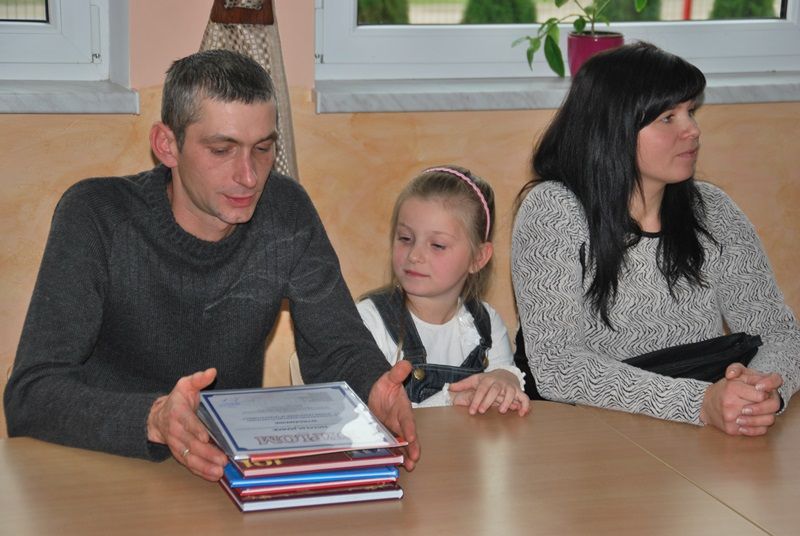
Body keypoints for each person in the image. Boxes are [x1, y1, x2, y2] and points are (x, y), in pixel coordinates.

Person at [3, 49, 419, 480]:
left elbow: (337, 347)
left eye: (263, 149)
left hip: (222, 477)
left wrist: (374, 386)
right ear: (167, 145)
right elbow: (31, 395)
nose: (249, 176)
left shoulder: (286, 211)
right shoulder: (96, 215)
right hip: (101, 472)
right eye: (222, 149)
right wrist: (154, 418)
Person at [512, 42, 800, 436]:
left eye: (690, 111)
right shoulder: (553, 209)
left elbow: (780, 333)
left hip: (699, 437)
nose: (693, 130)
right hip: (588, 436)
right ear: (613, 128)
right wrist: (699, 403)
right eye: (668, 117)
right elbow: (558, 366)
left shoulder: (714, 210)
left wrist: (762, 391)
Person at [358, 166, 529, 415]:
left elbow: (504, 384)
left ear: (478, 258)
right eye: (405, 238)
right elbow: (372, 419)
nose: (414, 255)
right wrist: (449, 400)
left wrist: (505, 380)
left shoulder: (487, 324)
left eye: (437, 245)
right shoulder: (369, 321)